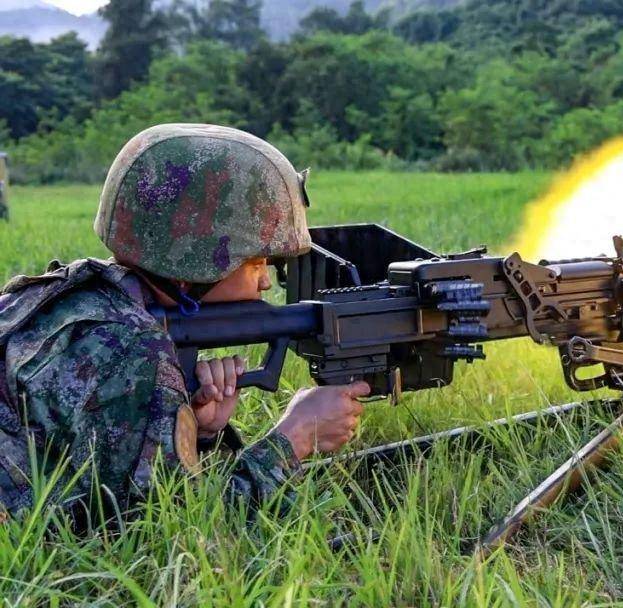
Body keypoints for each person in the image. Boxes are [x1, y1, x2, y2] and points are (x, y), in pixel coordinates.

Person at [0, 124, 368, 522]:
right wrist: (295, 437)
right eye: (256, 263)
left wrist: (200, 432)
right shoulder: (132, 352)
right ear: (196, 264)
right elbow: (176, 527)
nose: (265, 281)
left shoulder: (71, 296)